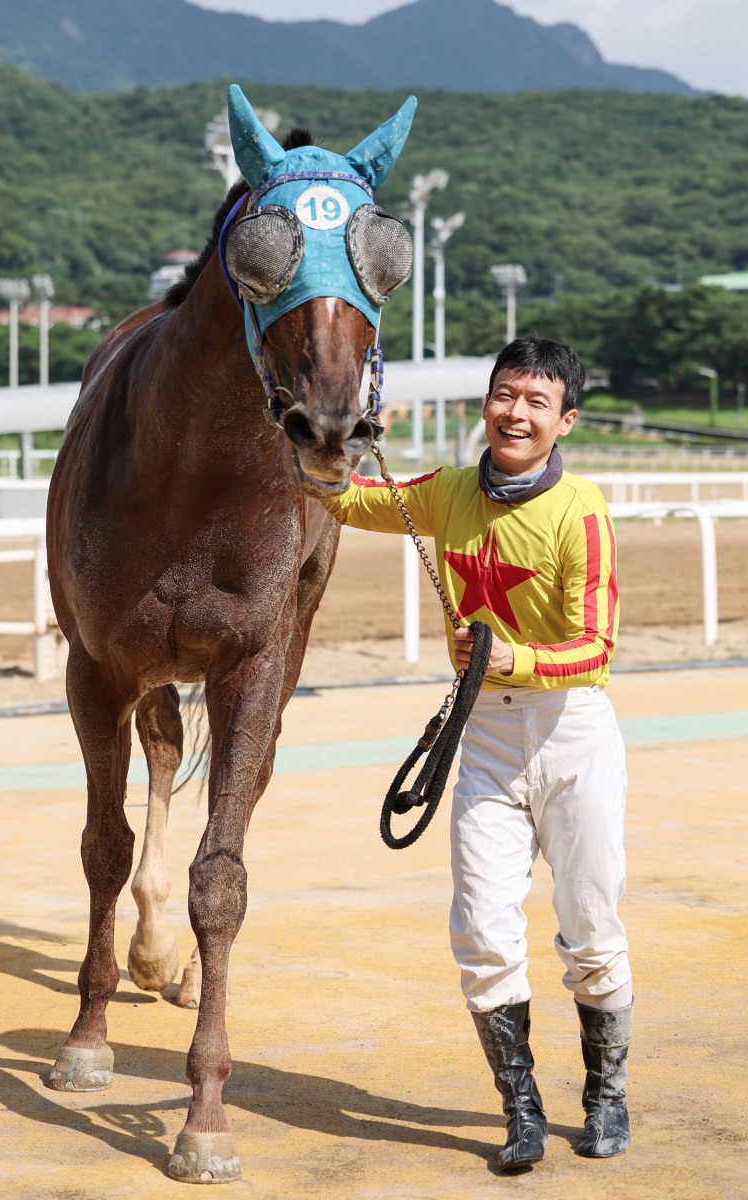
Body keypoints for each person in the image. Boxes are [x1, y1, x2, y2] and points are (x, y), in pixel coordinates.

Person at [321, 334, 632, 1170]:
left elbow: (596, 649)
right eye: (505, 395)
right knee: (484, 933)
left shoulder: (583, 511)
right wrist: (335, 433)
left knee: (591, 932)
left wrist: (513, 659)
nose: (516, 412)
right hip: (484, 740)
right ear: (485, 404)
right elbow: (348, 501)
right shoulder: (446, 492)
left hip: (573, 733)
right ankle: (520, 1109)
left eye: (537, 402)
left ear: (565, 420)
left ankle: (605, 1094)